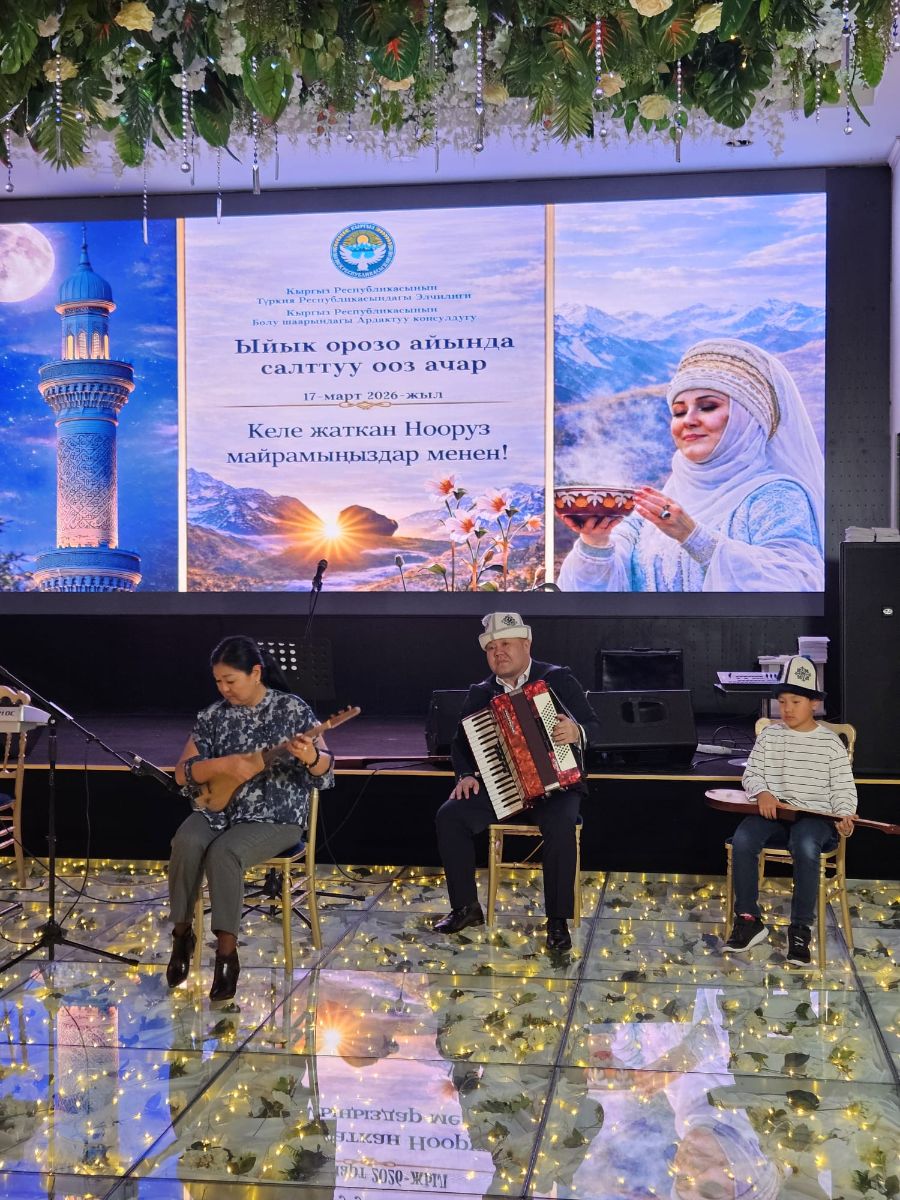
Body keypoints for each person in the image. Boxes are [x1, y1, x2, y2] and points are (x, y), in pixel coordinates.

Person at [557, 338, 824, 592]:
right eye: (679, 412)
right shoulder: (661, 503)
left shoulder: (776, 496)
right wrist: (595, 542)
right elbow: (599, 592)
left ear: (746, 417)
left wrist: (693, 536)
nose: (689, 420)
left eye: (707, 407)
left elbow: (797, 583)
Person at [169, 635, 334, 1002]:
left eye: (231, 680)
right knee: (186, 841)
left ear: (256, 673)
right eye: (218, 681)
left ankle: (227, 955)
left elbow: (325, 772)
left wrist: (310, 757)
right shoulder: (213, 716)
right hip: (220, 810)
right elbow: (182, 773)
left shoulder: (291, 710)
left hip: (276, 817)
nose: (224, 689)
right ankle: (181, 936)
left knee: (224, 853)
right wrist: (225, 765)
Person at [433, 612, 600, 952]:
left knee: (562, 825)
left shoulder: (556, 679)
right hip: (502, 786)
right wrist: (465, 774)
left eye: (506, 644)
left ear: (526, 644)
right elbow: (459, 744)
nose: (499, 652)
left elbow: (594, 726)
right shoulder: (482, 693)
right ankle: (466, 907)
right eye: (491, 648)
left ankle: (557, 920)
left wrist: (576, 731)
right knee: (450, 815)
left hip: (556, 786)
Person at [723, 655, 856, 966]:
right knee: (743, 839)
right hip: (774, 813)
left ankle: (800, 929)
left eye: (796, 701)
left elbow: (843, 790)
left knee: (806, 844)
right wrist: (763, 792)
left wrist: (845, 815)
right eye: (782, 701)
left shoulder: (830, 744)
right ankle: (748, 920)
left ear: (814, 703)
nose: (787, 709)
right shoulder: (771, 736)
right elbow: (751, 774)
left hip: (815, 819)